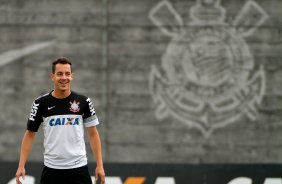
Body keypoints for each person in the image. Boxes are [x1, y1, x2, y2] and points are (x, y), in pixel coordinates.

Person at [15, 57, 105, 184]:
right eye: (60, 74)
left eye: (67, 74)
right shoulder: (40, 103)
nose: (64, 77)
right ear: (52, 76)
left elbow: (93, 134)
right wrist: (21, 165)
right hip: (52, 170)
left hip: (78, 169)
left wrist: (100, 165)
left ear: (72, 76)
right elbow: (30, 134)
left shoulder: (84, 102)